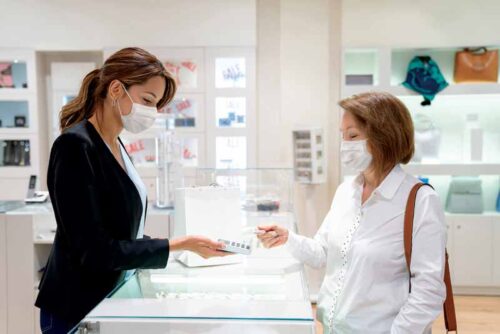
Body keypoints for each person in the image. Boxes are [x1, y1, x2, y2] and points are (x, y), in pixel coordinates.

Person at [35, 47, 229, 333]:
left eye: (155, 106)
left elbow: (124, 232)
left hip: (108, 299)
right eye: (147, 100)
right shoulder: (75, 146)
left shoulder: (116, 145)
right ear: (116, 89)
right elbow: (94, 250)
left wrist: (180, 245)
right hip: (76, 306)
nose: (150, 113)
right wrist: (178, 245)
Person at [257, 92, 447, 334]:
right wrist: (288, 239)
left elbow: (429, 290)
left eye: (353, 135)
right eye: (342, 135)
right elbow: (324, 253)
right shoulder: (346, 192)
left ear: (384, 137)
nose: (345, 145)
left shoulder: (420, 200)